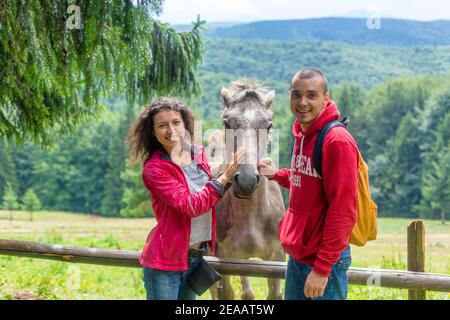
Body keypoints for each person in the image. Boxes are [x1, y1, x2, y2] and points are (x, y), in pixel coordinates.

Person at [125, 97, 245, 300]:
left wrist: (242, 168)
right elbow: (191, 205)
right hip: (165, 263)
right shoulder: (155, 169)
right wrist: (224, 178)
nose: (171, 130)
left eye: (176, 122)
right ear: (153, 132)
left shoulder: (197, 154)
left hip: (195, 259)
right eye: (162, 125)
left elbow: (208, 191)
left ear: (185, 125)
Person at [257, 68, 358, 300]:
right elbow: (308, 179)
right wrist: (278, 174)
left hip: (323, 261)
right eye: (296, 95)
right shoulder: (304, 133)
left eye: (311, 95)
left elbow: (343, 209)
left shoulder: (336, 141)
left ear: (326, 98)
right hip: (299, 256)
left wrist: (322, 268)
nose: (303, 102)